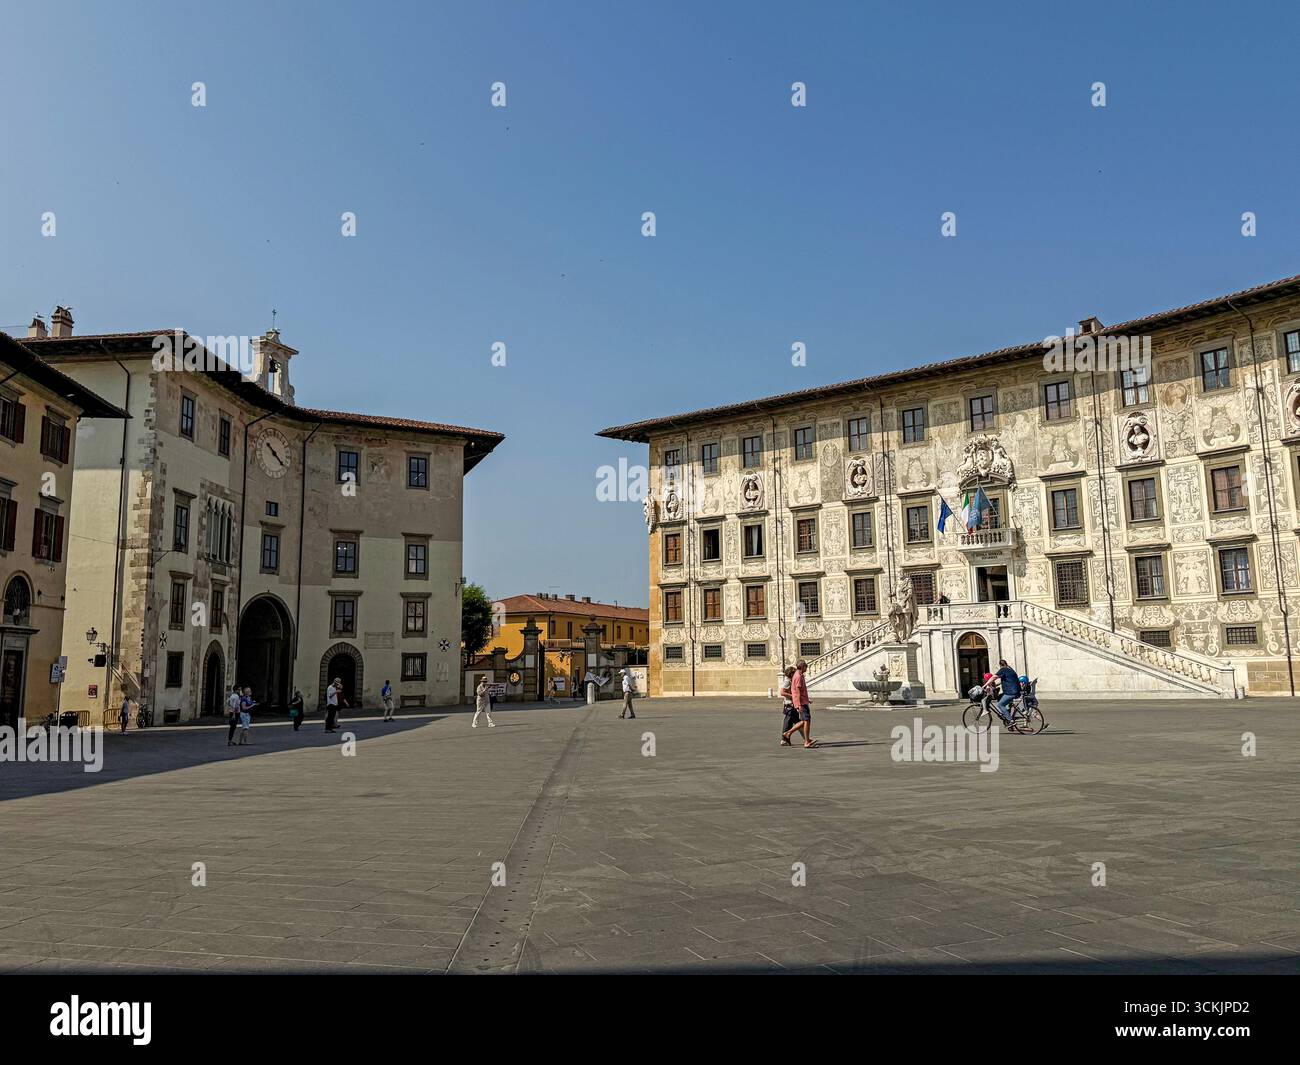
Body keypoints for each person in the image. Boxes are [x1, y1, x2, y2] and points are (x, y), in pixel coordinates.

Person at [782, 659, 818, 748]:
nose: (807, 667)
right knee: (806, 721)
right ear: (802, 667)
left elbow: (800, 692)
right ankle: (805, 741)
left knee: (804, 721)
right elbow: (797, 692)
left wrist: (806, 699)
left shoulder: (799, 675)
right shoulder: (798, 676)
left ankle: (789, 734)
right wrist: (798, 704)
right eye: (805, 665)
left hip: (802, 701)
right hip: (801, 703)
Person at [993, 659, 1021, 727]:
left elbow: (994, 677)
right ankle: (1008, 717)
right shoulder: (1010, 669)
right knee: (1001, 697)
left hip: (1011, 692)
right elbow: (1006, 679)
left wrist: (985, 685)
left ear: (1000, 665)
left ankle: (1010, 720)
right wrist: (996, 685)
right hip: (1015, 690)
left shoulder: (1003, 669)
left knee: (1000, 705)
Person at [779, 666, 798, 746]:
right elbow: (782, 692)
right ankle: (784, 739)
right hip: (789, 704)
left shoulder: (791, 681)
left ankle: (806, 739)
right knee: (790, 723)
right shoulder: (787, 682)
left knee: (797, 722)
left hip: (791, 704)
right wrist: (793, 696)